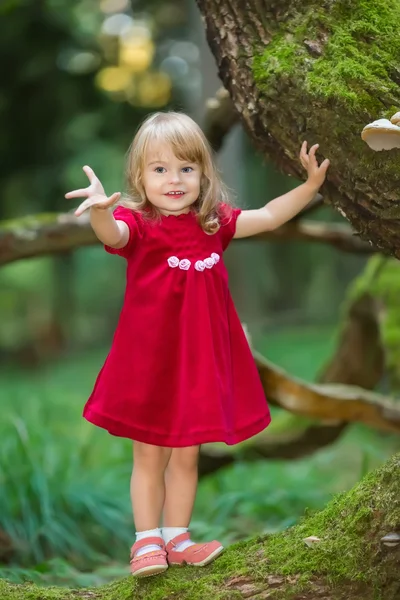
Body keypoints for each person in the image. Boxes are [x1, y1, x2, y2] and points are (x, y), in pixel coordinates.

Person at [65, 111, 329, 578]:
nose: (174, 179)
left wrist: (310, 188)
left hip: (198, 365)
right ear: (139, 177)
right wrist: (101, 213)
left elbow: (267, 216)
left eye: (186, 168)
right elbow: (114, 235)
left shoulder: (213, 223)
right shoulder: (137, 223)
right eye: (160, 169)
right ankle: (146, 543)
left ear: (203, 173)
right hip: (150, 362)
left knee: (187, 455)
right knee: (149, 453)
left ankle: (177, 539)